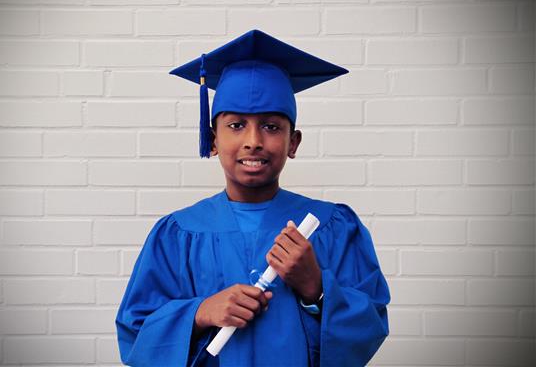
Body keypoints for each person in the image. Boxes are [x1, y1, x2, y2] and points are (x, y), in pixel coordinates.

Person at [115, 29, 390, 367]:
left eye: (272, 126)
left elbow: (372, 325)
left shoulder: (333, 227)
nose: (253, 140)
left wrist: (316, 288)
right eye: (236, 125)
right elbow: (135, 334)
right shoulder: (176, 234)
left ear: (294, 143)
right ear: (212, 140)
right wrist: (200, 312)